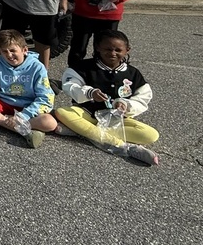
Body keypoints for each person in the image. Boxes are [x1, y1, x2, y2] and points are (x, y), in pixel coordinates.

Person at [56, 30, 159, 165]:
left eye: (118, 50)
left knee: (151, 135)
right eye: (107, 49)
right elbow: (69, 85)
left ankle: (82, 132)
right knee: (62, 112)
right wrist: (89, 93)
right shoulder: (83, 67)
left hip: (116, 120)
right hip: (87, 114)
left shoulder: (133, 73)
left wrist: (125, 104)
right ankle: (123, 146)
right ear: (98, 47)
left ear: (127, 50)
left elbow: (144, 97)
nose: (112, 53)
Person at [0, 29, 58, 148]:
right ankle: (23, 130)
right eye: (4, 51)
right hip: (3, 103)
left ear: (25, 50)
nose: (9, 55)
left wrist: (23, 116)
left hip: (27, 106)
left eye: (13, 50)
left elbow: (46, 98)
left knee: (49, 123)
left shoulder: (37, 67)